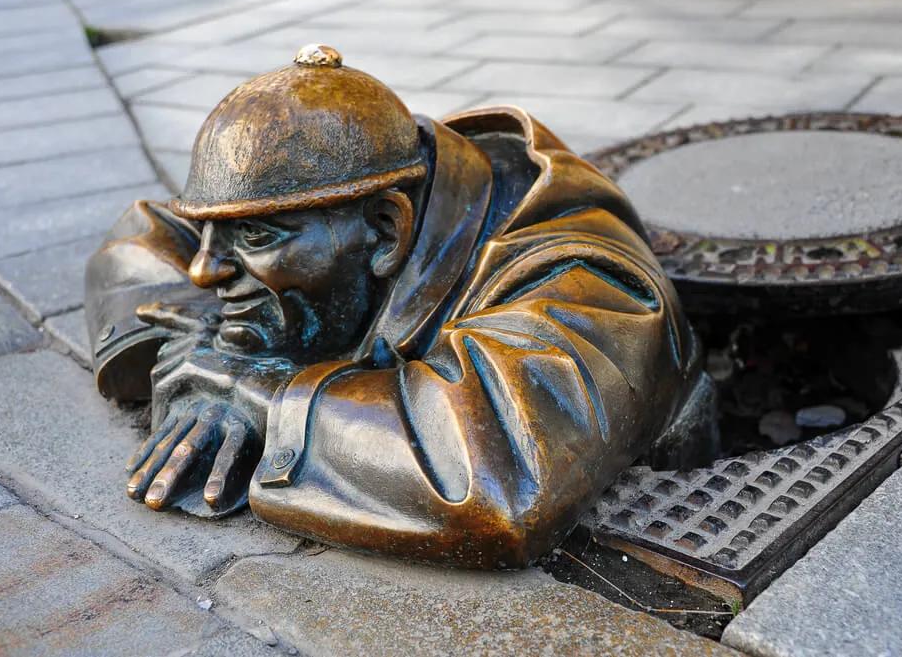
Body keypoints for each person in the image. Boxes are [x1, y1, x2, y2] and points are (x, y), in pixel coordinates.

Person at [85, 45, 715, 569]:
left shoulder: (580, 277)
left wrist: (260, 392)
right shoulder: (328, 195)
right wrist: (201, 344)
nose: (203, 269)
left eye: (255, 238)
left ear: (386, 228)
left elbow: (497, 479)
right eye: (212, 233)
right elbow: (136, 246)